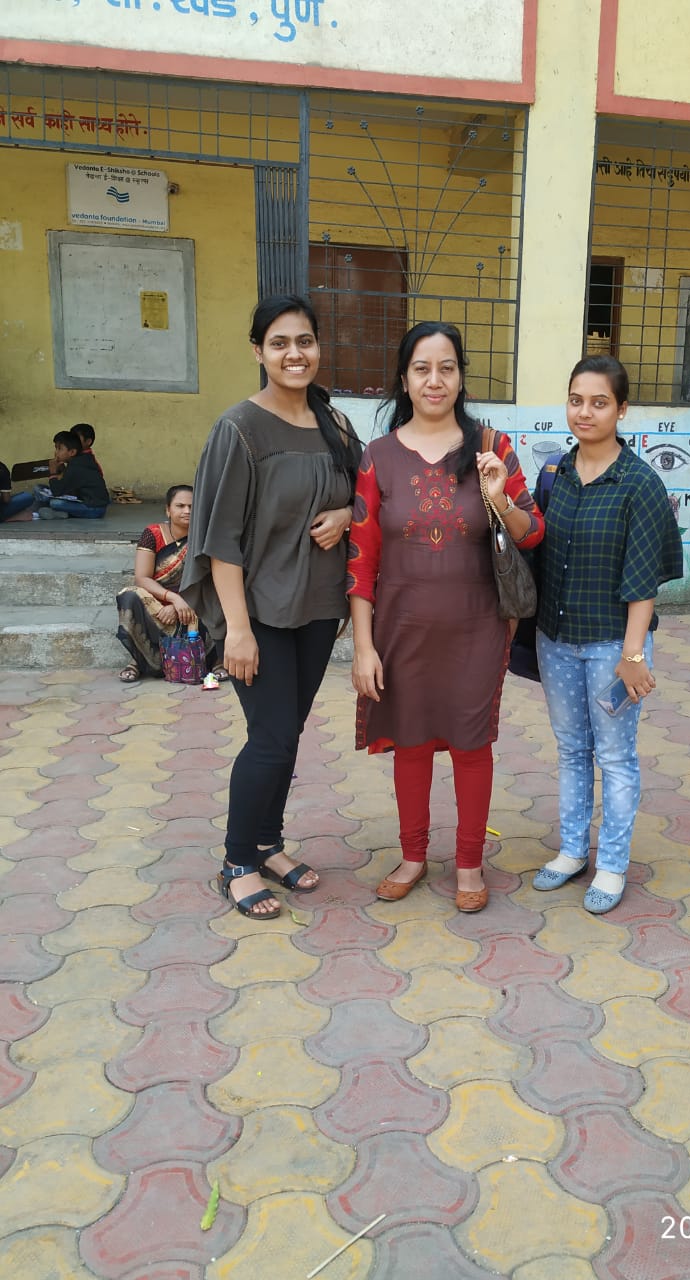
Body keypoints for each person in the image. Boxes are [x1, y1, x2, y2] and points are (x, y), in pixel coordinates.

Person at [348, 321, 543, 912]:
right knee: (409, 743)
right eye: (422, 369)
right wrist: (362, 646)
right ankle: (412, 856)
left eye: (447, 368)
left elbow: (532, 532)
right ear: (404, 380)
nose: (436, 381)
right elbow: (360, 558)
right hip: (399, 628)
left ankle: (467, 864)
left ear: (461, 376)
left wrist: (497, 495)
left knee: (470, 745)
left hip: (478, 626)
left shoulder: (491, 446)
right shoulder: (377, 456)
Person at [180, 294, 362, 920]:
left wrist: (344, 514)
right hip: (255, 613)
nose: (294, 354)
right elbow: (219, 537)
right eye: (280, 343)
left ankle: (268, 843)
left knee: (287, 735)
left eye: (305, 341)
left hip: (315, 608)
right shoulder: (239, 429)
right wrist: (235, 629)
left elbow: (364, 495)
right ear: (258, 351)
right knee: (271, 736)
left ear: (317, 347)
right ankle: (236, 861)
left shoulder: (334, 424)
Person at [532, 355, 683, 915]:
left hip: (613, 647)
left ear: (621, 409)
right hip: (557, 639)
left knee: (616, 756)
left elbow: (643, 580)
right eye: (576, 400)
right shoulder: (556, 473)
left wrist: (633, 654)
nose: (585, 412)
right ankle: (572, 851)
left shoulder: (640, 483)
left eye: (599, 402)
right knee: (572, 750)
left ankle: (613, 863)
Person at [115, 484, 221, 684]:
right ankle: (138, 661)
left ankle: (217, 660)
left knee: (222, 595)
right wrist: (172, 599)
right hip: (159, 603)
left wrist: (184, 602)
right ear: (168, 509)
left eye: (192, 506)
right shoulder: (153, 534)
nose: (187, 511)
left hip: (197, 602)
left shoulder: (207, 536)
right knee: (129, 596)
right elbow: (142, 578)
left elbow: (213, 579)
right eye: (180, 506)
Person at [34, 430, 109, 519]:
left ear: (72, 452)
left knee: (55, 503)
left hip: (94, 509)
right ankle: (62, 513)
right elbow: (68, 486)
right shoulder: (81, 460)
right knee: (39, 488)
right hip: (83, 499)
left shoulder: (76, 466)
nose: (56, 452)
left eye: (60, 449)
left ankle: (63, 513)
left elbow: (57, 491)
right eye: (56, 448)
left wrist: (53, 472)